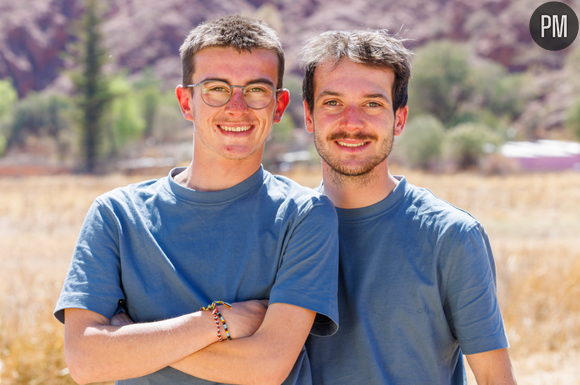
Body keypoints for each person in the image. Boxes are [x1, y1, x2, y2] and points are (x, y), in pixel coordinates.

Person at [54, 15, 339, 385]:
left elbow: (265, 367)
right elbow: (86, 361)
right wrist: (218, 322)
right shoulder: (117, 216)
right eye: (216, 88)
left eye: (256, 90)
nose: (237, 107)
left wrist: (133, 339)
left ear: (279, 105)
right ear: (186, 102)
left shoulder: (305, 216)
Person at [299, 30, 517, 385]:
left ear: (399, 119)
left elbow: (496, 379)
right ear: (309, 116)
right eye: (333, 103)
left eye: (372, 104)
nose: (352, 122)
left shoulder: (451, 236)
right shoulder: (283, 230)